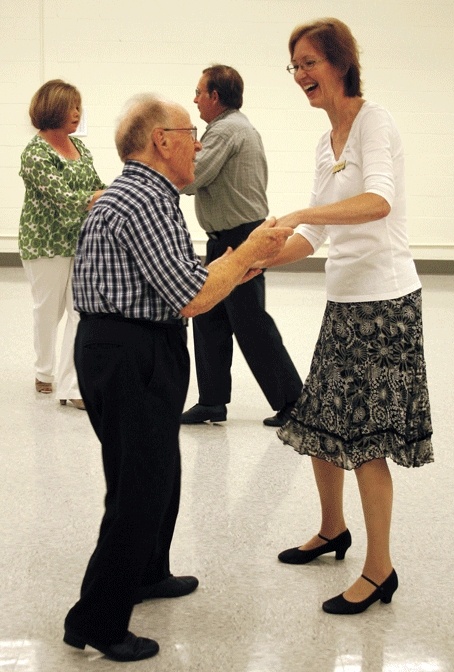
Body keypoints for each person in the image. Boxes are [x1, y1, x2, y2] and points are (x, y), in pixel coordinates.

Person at [63, 93, 293, 662]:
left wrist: (238, 263)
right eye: (191, 132)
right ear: (161, 141)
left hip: (127, 346)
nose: (199, 141)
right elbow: (191, 296)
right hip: (129, 352)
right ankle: (95, 619)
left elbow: (185, 276)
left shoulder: (147, 195)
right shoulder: (144, 199)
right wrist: (245, 254)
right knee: (140, 488)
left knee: (154, 473)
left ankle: (147, 573)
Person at [257, 18, 434, 614]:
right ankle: (333, 529)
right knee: (322, 424)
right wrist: (266, 258)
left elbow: (377, 201)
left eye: (310, 62)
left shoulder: (372, 121)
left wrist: (301, 213)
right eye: (295, 66)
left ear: (339, 63)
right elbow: (313, 232)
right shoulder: (323, 142)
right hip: (344, 299)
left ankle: (380, 568)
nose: (301, 75)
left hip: (384, 303)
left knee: (367, 441)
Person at [180, 64, 302, 427]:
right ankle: (212, 402)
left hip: (241, 238)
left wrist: (163, 161)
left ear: (215, 97)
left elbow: (193, 176)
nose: (195, 98)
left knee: (249, 322)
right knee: (208, 318)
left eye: (199, 92)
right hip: (226, 239)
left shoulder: (227, 130)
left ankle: (294, 402)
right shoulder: (229, 127)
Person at [19, 79, 105, 410]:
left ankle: (72, 386)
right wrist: (97, 197)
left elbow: (97, 185)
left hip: (79, 242)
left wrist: (118, 190)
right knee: (48, 312)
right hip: (45, 244)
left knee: (80, 311)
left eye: (79, 106)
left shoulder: (80, 148)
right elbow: (64, 199)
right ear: (53, 109)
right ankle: (44, 371)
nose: (78, 113)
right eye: (72, 106)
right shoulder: (35, 153)